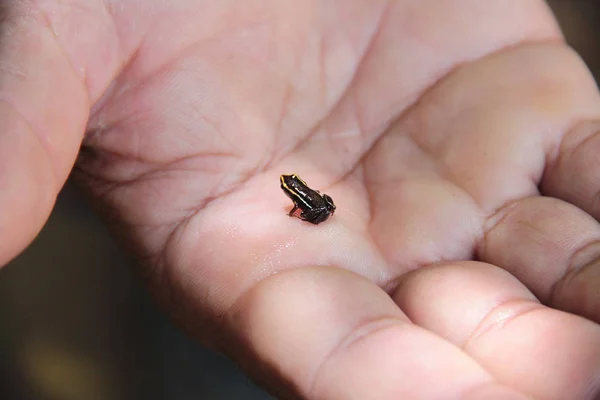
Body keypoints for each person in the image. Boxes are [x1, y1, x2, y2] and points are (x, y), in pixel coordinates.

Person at [1, 1, 598, 399]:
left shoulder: (300, 198)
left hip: (308, 224)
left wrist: (305, 211)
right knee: (237, 331)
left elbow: (305, 203)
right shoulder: (295, 193)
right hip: (253, 240)